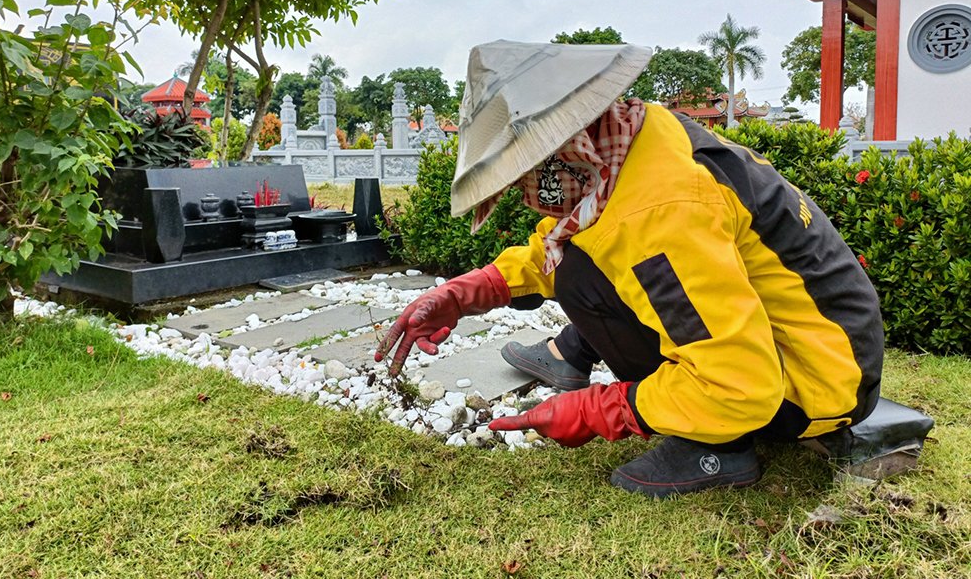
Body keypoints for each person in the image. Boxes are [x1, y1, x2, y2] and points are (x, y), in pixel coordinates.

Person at [375, 40, 884, 498]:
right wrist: (470, 292)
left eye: (523, 181)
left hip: (817, 380)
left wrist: (608, 409)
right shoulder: (637, 141)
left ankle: (720, 445)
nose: (528, 201)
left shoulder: (659, 212)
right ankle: (575, 355)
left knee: (582, 278)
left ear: (562, 157)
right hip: (821, 340)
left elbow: (741, 384)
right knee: (581, 267)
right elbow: (566, 245)